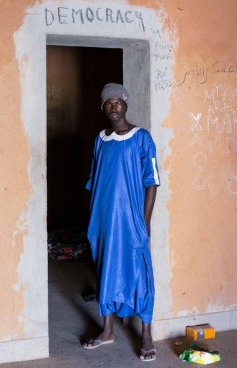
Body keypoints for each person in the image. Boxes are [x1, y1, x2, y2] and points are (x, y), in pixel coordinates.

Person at [82, 83, 160, 362]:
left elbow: (152, 182)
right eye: (108, 103)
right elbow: (96, 180)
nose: (114, 107)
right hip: (103, 219)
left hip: (131, 220)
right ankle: (107, 331)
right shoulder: (100, 140)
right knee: (105, 269)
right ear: (103, 107)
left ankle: (146, 335)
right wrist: (95, 218)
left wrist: (145, 220)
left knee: (138, 271)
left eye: (118, 102)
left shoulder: (141, 138)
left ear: (126, 105)